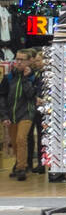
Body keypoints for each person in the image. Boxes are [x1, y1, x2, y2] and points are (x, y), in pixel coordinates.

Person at [0, 50, 37, 180]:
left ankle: (22, 168)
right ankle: (19, 164)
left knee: (21, 139)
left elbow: (31, 95)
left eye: (22, 60)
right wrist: (4, 116)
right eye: (18, 59)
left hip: (27, 113)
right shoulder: (9, 77)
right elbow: (2, 97)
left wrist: (26, 79)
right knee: (15, 142)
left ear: (28, 62)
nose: (19, 62)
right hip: (11, 115)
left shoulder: (33, 77)